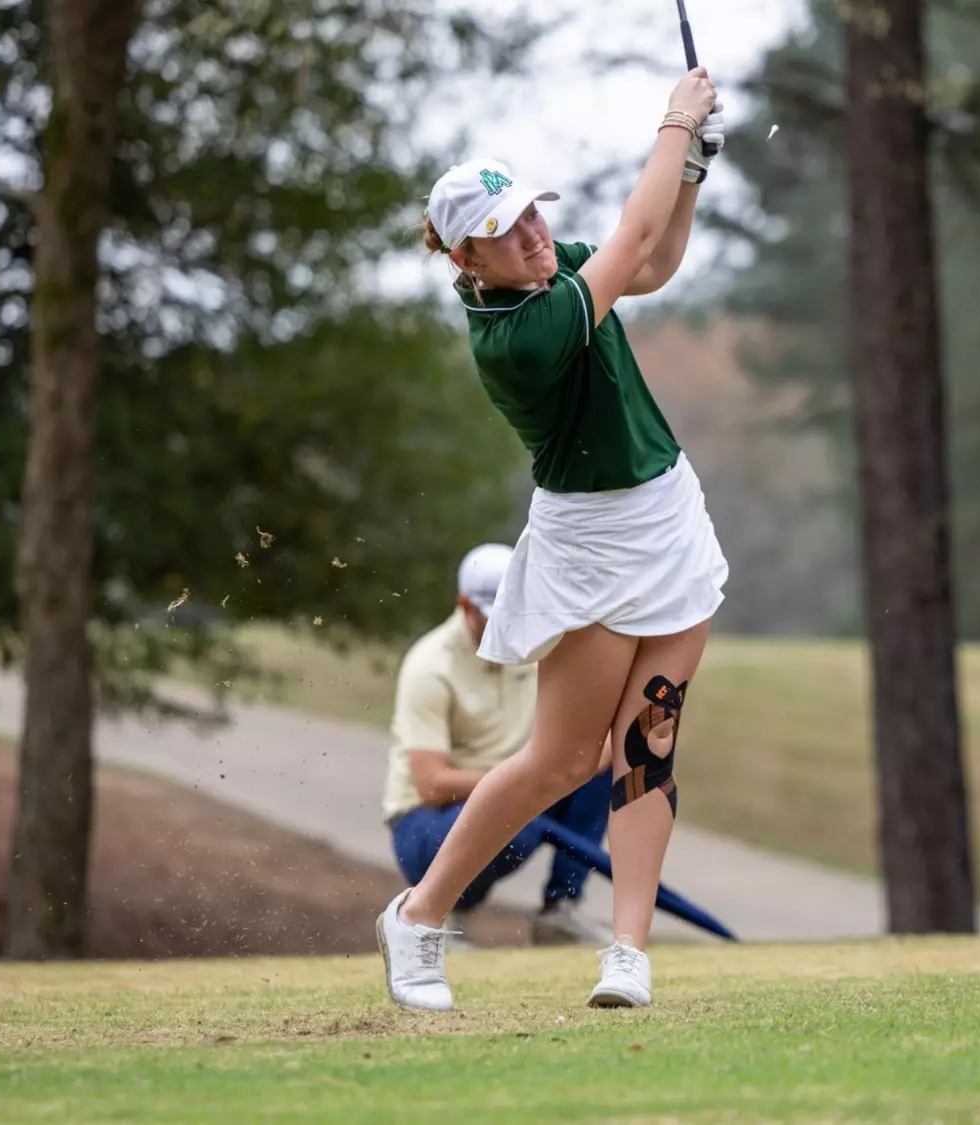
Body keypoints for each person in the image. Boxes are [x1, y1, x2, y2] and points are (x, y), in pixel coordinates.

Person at [376, 68, 729, 1012]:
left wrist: (690, 165)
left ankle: (627, 954)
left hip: (668, 518)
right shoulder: (519, 334)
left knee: (649, 745)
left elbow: (651, 264)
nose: (536, 235)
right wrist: (675, 122)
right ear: (468, 261)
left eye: (534, 215)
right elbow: (636, 237)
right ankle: (417, 917)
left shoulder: (548, 269)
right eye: (510, 232)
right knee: (561, 760)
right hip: (593, 545)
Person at [382, 543, 613, 949]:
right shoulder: (430, 665)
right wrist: (521, 781)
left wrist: (582, 758)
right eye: (491, 617)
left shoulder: (537, 645)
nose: (501, 628)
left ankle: (560, 910)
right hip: (425, 824)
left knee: (600, 772)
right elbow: (432, 784)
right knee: (515, 822)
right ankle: (439, 914)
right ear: (464, 605)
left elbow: (596, 742)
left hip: (512, 796)